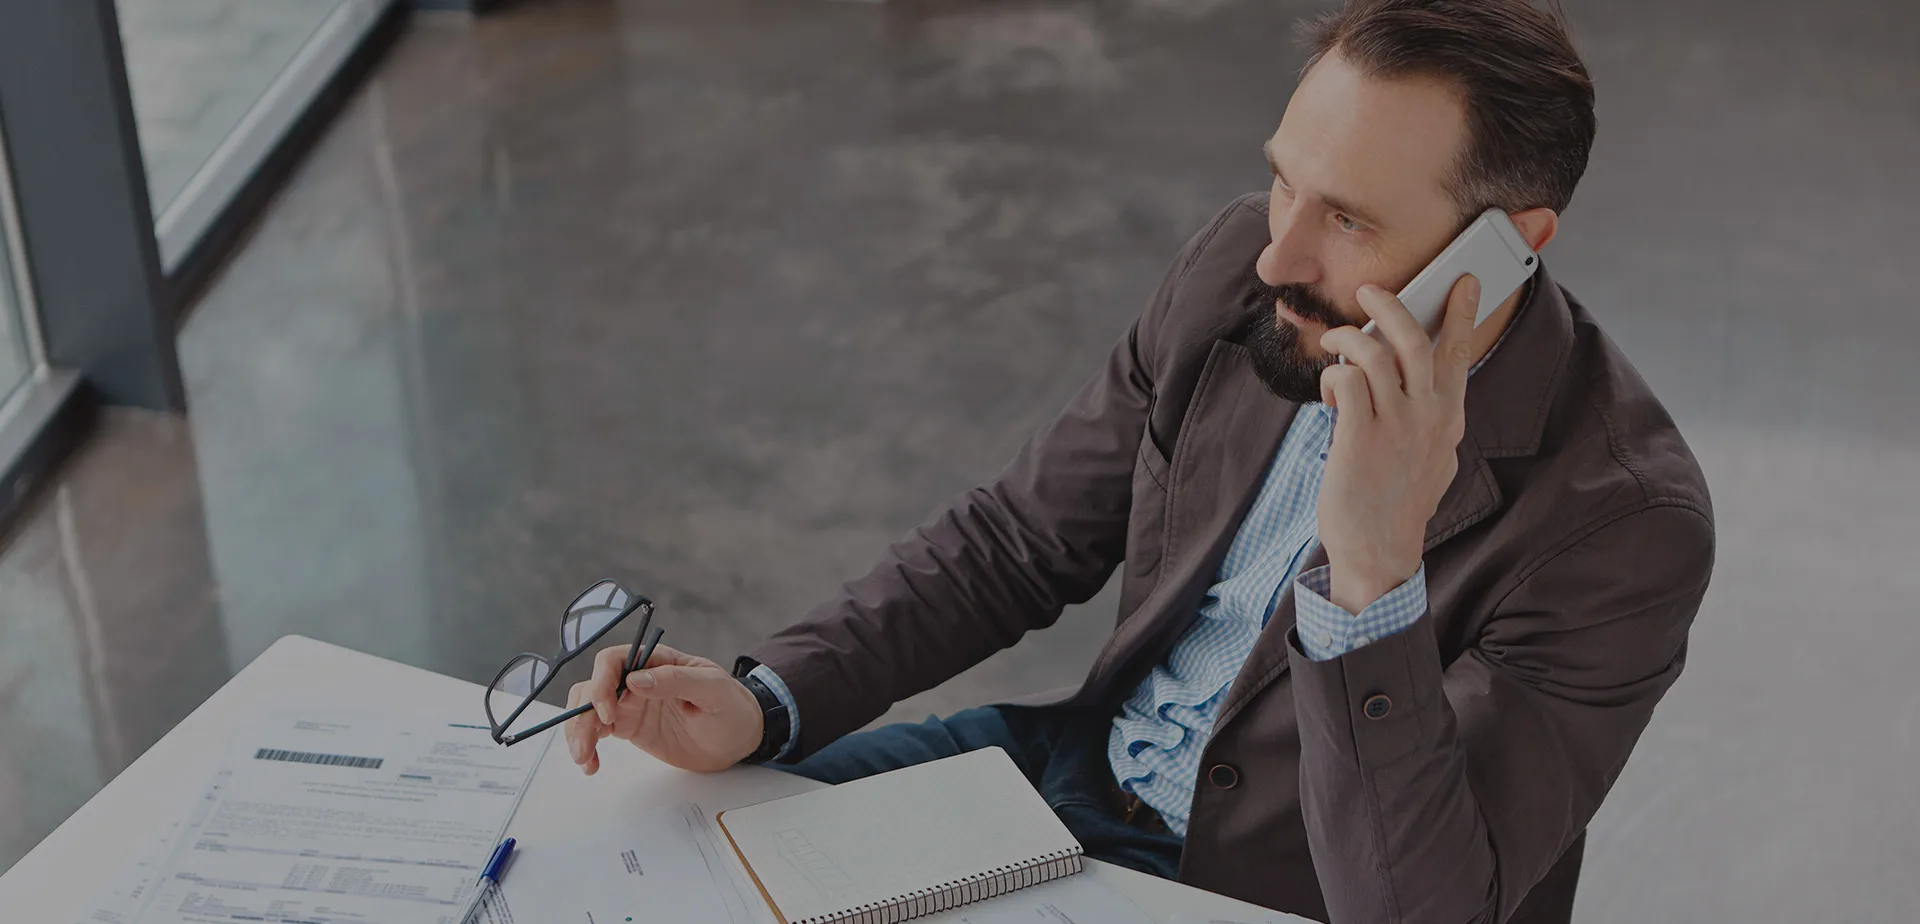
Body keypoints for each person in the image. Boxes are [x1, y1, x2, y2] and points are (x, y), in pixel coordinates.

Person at [562, 1, 1714, 921]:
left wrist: (1373, 577)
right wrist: (765, 704)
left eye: (1350, 221)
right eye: (1286, 181)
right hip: (1060, 781)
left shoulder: (1625, 525)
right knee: (638, 865)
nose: (1278, 256)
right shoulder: (1242, 272)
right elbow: (1016, 542)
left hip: (1266, 892)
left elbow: (1416, 905)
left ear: (1510, 245)